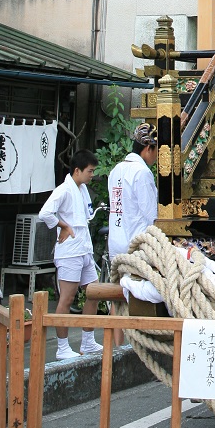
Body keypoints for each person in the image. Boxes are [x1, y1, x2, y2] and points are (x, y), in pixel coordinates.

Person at [38, 149, 102, 360]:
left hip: (84, 248)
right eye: (90, 171)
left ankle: (88, 340)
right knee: (67, 297)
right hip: (69, 252)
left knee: (94, 292)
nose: (92, 175)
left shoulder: (81, 189)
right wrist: (62, 225)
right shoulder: (64, 190)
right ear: (77, 170)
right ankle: (62, 347)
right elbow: (45, 212)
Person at [107, 124, 159, 345]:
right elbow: (151, 214)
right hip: (135, 244)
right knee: (135, 295)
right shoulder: (142, 172)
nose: (157, 156)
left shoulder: (116, 169)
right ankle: (135, 346)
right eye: (156, 150)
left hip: (116, 241)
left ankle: (117, 347)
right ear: (148, 148)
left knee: (117, 297)